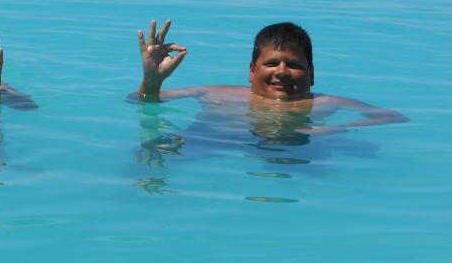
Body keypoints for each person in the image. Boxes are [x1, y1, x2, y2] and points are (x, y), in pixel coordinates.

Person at [132, 19, 407, 168]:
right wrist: (152, 81)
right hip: (211, 141)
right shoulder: (215, 93)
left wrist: (339, 128)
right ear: (252, 70)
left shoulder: (325, 103)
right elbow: (142, 101)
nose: (282, 71)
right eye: (272, 63)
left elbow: (391, 116)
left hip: (293, 148)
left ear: (312, 73)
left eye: (295, 65)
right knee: (150, 156)